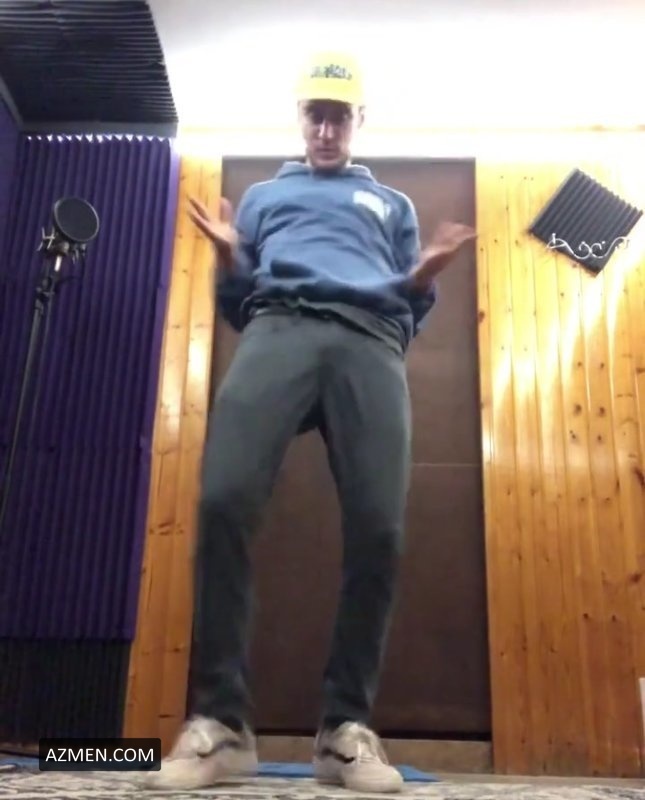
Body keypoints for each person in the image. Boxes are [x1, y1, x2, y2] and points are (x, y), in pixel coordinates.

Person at [145, 52, 475, 794]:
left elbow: (411, 307)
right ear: (300, 119)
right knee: (222, 499)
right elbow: (238, 303)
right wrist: (232, 258)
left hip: (370, 341)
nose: (326, 129)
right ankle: (222, 725)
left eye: (339, 116)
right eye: (315, 115)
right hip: (280, 326)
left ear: (359, 121)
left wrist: (423, 272)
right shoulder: (264, 196)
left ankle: (344, 730)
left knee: (379, 529)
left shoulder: (391, 205)